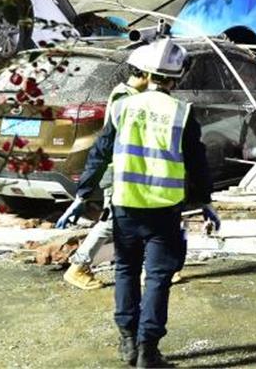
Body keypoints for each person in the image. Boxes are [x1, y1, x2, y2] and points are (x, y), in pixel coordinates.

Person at [59, 38, 219, 368]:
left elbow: (98, 156)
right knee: (159, 278)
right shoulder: (181, 113)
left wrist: (81, 196)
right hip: (164, 209)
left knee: (126, 271)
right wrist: (205, 202)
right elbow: (198, 163)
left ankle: (127, 342)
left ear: (146, 73)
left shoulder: (121, 107)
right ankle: (149, 351)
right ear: (177, 78)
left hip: (125, 208)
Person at [61, 65, 150, 290]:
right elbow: (106, 144)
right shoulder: (125, 97)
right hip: (120, 173)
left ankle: (149, 270)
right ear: (147, 74)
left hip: (128, 172)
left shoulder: (131, 95)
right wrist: (83, 194)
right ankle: (78, 267)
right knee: (111, 222)